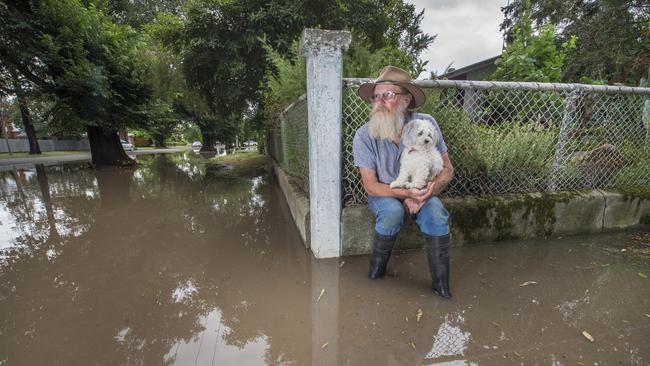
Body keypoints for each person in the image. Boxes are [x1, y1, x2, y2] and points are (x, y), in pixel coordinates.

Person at [352, 65, 455, 299]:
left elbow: (448, 169)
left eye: (387, 95)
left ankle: (442, 288)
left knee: (437, 214)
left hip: (422, 188)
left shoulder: (426, 123)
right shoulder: (363, 135)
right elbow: (371, 186)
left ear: (406, 99)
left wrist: (431, 190)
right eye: (376, 96)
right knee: (391, 213)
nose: (379, 102)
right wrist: (406, 194)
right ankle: (376, 274)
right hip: (386, 191)